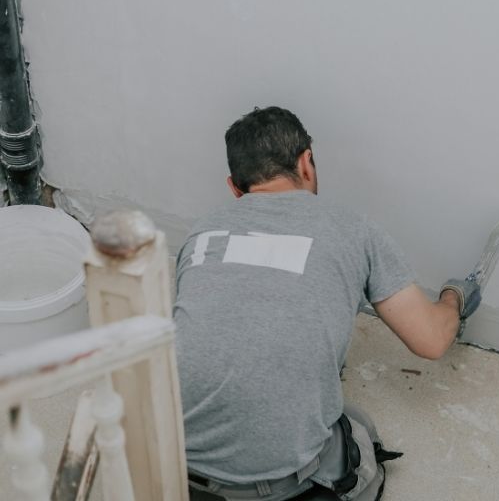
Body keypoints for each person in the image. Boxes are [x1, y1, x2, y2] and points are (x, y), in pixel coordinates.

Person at [173, 106, 480, 501]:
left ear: (235, 188)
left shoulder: (201, 234)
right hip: (275, 485)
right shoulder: (351, 227)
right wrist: (453, 298)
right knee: (358, 430)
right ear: (306, 162)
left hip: (174, 466)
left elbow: (203, 335)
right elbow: (431, 340)